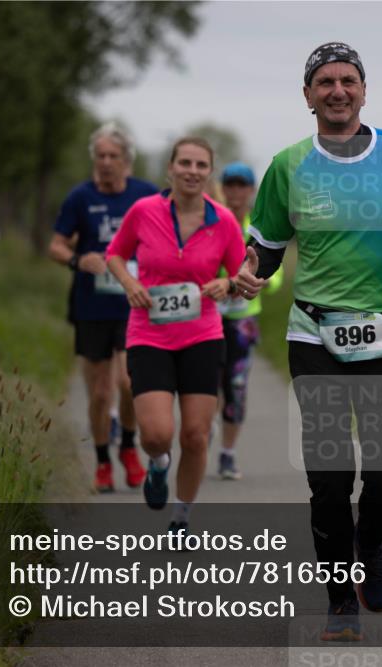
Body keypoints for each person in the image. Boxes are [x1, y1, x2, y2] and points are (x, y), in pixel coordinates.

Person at [233, 42, 382, 640]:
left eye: (347, 80)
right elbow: (266, 243)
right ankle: (340, 601)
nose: (337, 91)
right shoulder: (289, 163)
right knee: (330, 478)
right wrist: (249, 272)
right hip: (314, 334)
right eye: (324, 82)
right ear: (308, 95)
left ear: (364, 90)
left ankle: (371, 544)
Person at [106, 137, 246, 535]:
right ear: (170, 169)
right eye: (184, 163)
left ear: (209, 173)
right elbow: (115, 254)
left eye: (201, 165)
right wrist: (130, 282)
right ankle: (158, 463)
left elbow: (242, 277)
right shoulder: (143, 211)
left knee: (196, 435)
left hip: (202, 334)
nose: (192, 171)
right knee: (157, 434)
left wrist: (228, 285)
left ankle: (181, 516)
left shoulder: (224, 221)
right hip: (149, 333)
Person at [49, 122, 157, 493]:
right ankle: (101, 462)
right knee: (98, 393)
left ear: (126, 160)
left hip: (134, 304)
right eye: (101, 156)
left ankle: (128, 447)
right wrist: (78, 260)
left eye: (114, 156)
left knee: (129, 384)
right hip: (91, 305)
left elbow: (168, 234)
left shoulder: (146, 195)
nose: (107, 162)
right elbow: (56, 245)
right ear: (94, 159)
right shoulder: (80, 197)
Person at [215, 162, 284, 480]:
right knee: (208, 387)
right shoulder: (209, 222)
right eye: (231, 184)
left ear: (252, 190)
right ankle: (205, 431)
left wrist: (259, 282)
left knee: (236, 388)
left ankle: (228, 454)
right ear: (223, 187)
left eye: (243, 185)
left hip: (242, 322)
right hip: (208, 319)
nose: (236, 191)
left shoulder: (258, 228)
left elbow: (276, 274)